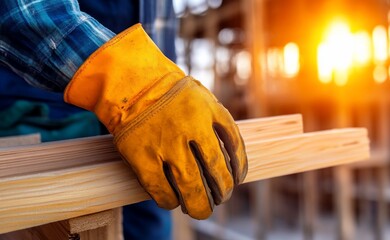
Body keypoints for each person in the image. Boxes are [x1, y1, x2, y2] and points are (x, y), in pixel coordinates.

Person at [0, 0, 248, 238]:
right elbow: (23, 11)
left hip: (153, 135)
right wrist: (144, 91)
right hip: (45, 106)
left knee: (151, 229)